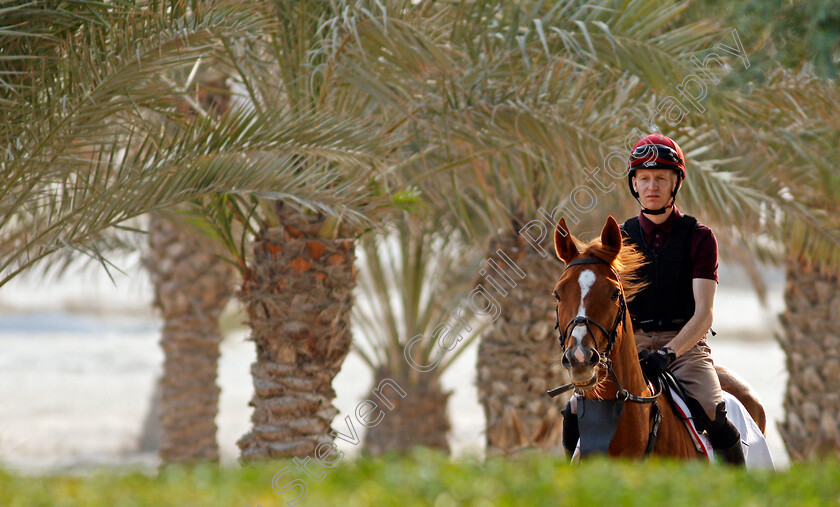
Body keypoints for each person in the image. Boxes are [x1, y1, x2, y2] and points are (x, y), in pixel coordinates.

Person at [561, 133, 745, 465]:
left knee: (711, 410)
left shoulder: (699, 238)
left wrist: (668, 353)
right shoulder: (618, 237)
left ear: (675, 183)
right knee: (574, 409)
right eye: (643, 178)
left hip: (685, 348)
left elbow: (704, 314)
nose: (652, 186)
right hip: (631, 343)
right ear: (634, 184)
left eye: (661, 178)